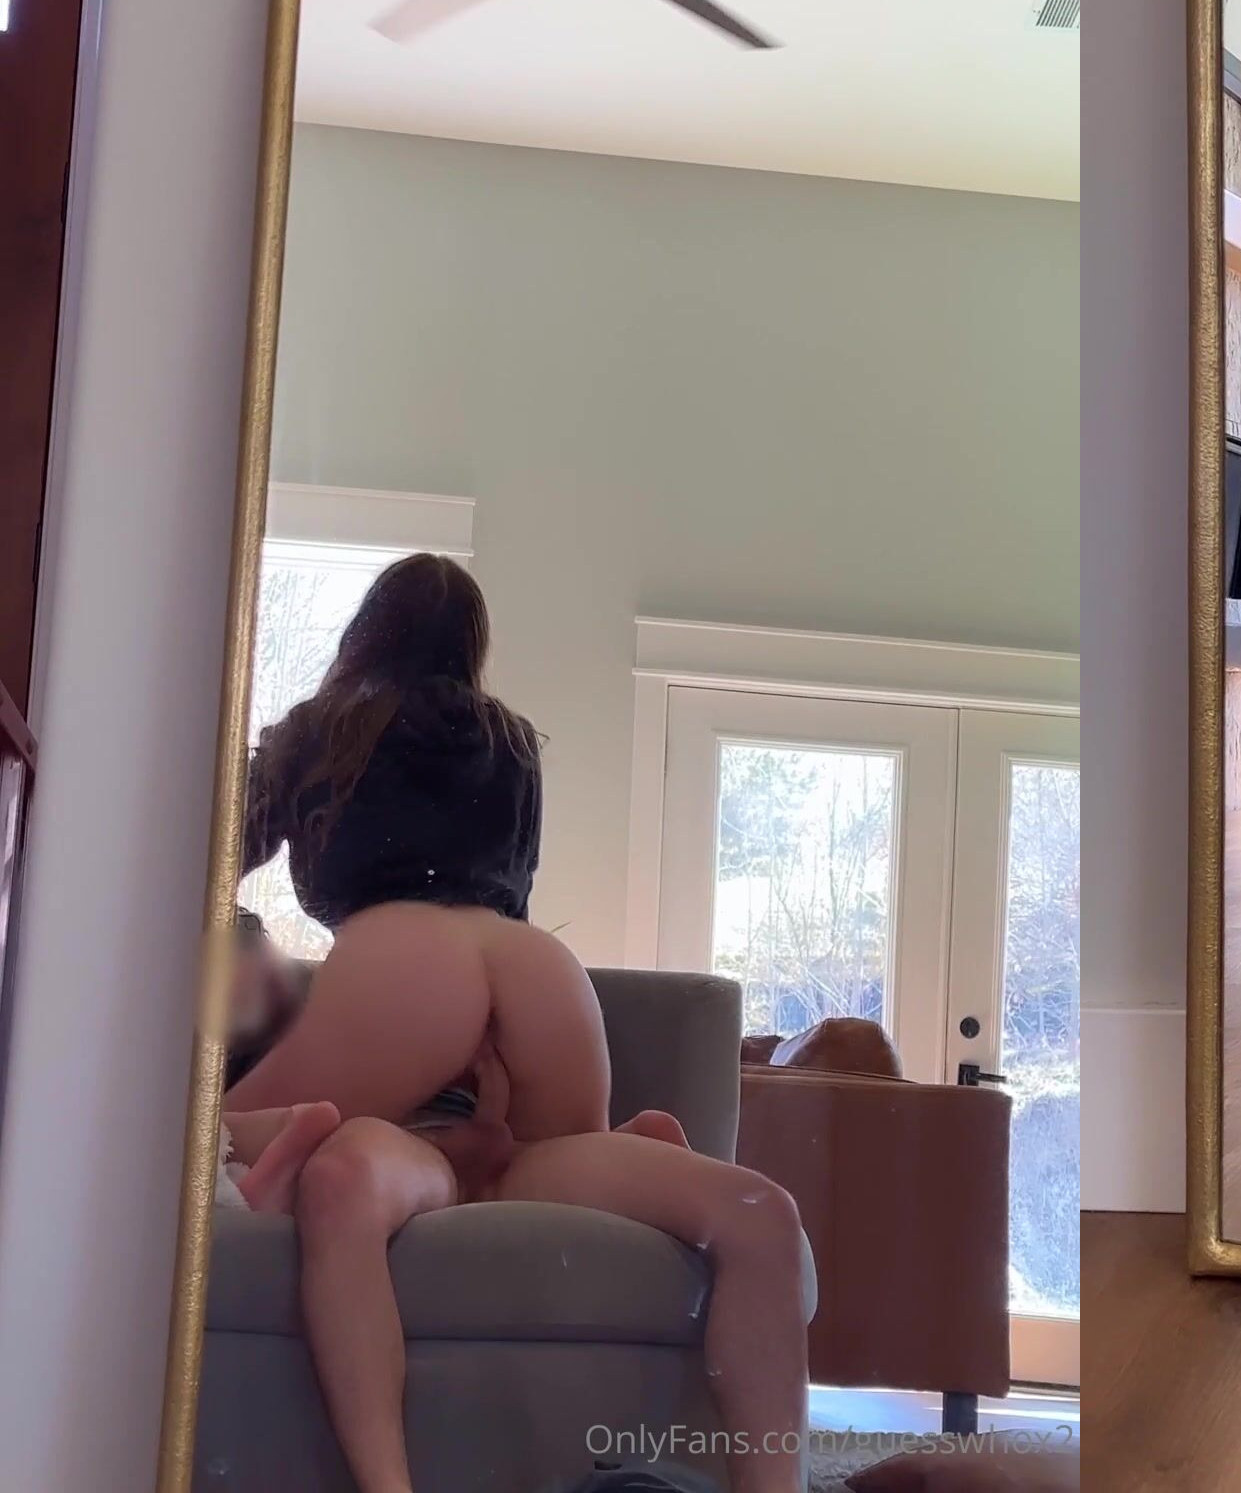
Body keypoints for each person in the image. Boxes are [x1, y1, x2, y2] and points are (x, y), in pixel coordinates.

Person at [225, 554, 809, 1493]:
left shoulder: (325, 726)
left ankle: (388, 1476)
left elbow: (211, 848)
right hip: (537, 981)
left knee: (205, 1137)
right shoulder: (511, 740)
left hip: (403, 969)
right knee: (760, 1214)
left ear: (364, 634)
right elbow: (513, 890)